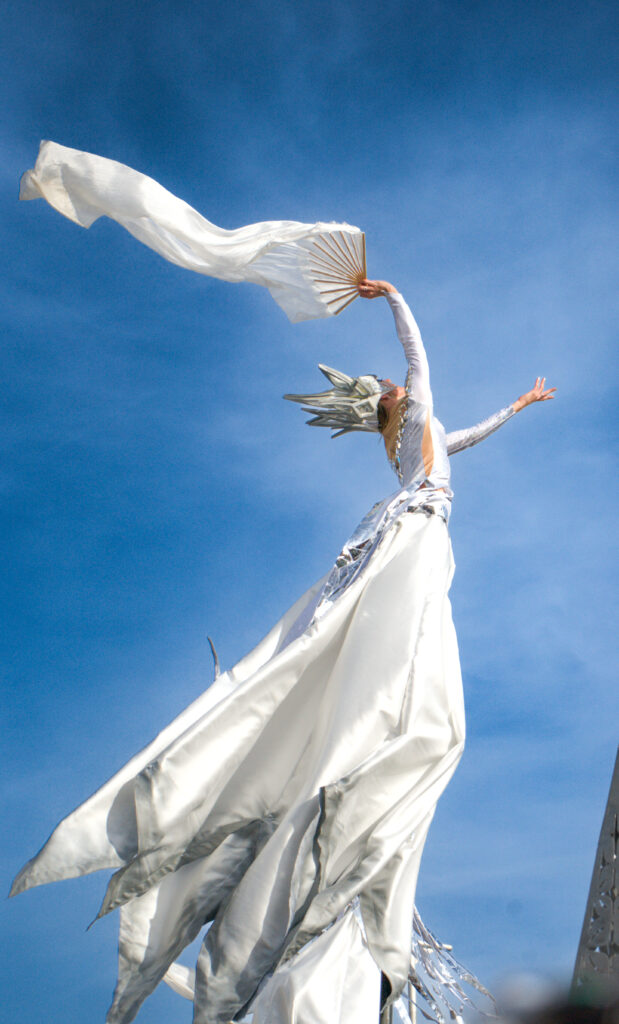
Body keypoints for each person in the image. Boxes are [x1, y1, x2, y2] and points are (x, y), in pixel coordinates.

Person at [10, 278, 555, 1024]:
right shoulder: (412, 417)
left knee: (403, 670)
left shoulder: (421, 436)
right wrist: (393, 295)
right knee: (390, 665)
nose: (399, 383)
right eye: (391, 388)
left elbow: (469, 437)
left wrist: (519, 407)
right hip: (412, 534)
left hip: (420, 533)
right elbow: (417, 355)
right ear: (390, 408)